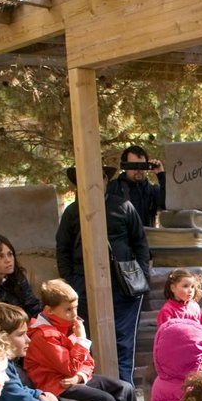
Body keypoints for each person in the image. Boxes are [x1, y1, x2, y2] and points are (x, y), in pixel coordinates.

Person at [23, 279, 149, 401]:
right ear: (49, 310)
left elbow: (87, 361)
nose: (74, 314)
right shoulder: (43, 335)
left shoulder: (68, 324)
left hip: (73, 379)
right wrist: (81, 341)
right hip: (56, 386)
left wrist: (81, 377)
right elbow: (69, 366)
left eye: (75, 307)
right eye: (68, 309)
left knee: (125, 389)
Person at [57, 164, 151, 383]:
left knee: (124, 340)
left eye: (100, 177)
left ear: (106, 180)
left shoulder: (123, 206)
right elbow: (63, 249)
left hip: (124, 283)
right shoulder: (72, 211)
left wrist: (142, 275)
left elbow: (140, 243)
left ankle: (125, 388)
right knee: (87, 337)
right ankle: (98, 388)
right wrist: (72, 282)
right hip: (83, 283)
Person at [107, 144, 166, 229]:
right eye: (133, 166)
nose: (138, 170)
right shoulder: (113, 188)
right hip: (122, 236)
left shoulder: (152, 190)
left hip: (146, 236)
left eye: (142, 166)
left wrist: (161, 174)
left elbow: (167, 204)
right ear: (125, 167)